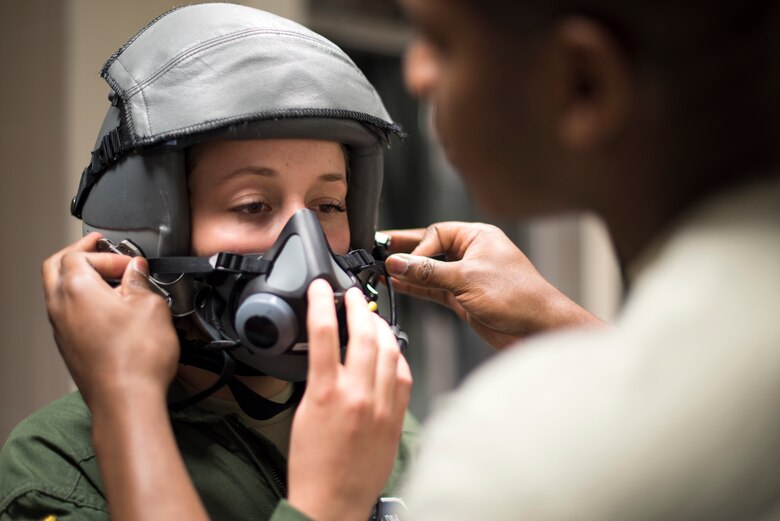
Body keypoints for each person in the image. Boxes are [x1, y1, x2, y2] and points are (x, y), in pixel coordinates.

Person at [0, 4, 414, 521]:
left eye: (329, 205)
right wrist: (328, 505)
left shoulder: (381, 423)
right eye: (252, 205)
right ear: (144, 236)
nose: (306, 246)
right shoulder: (59, 469)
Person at [376, 0, 780, 520]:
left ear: (582, 83)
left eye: (442, 44)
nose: (415, 76)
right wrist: (561, 322)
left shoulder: (511, 470)